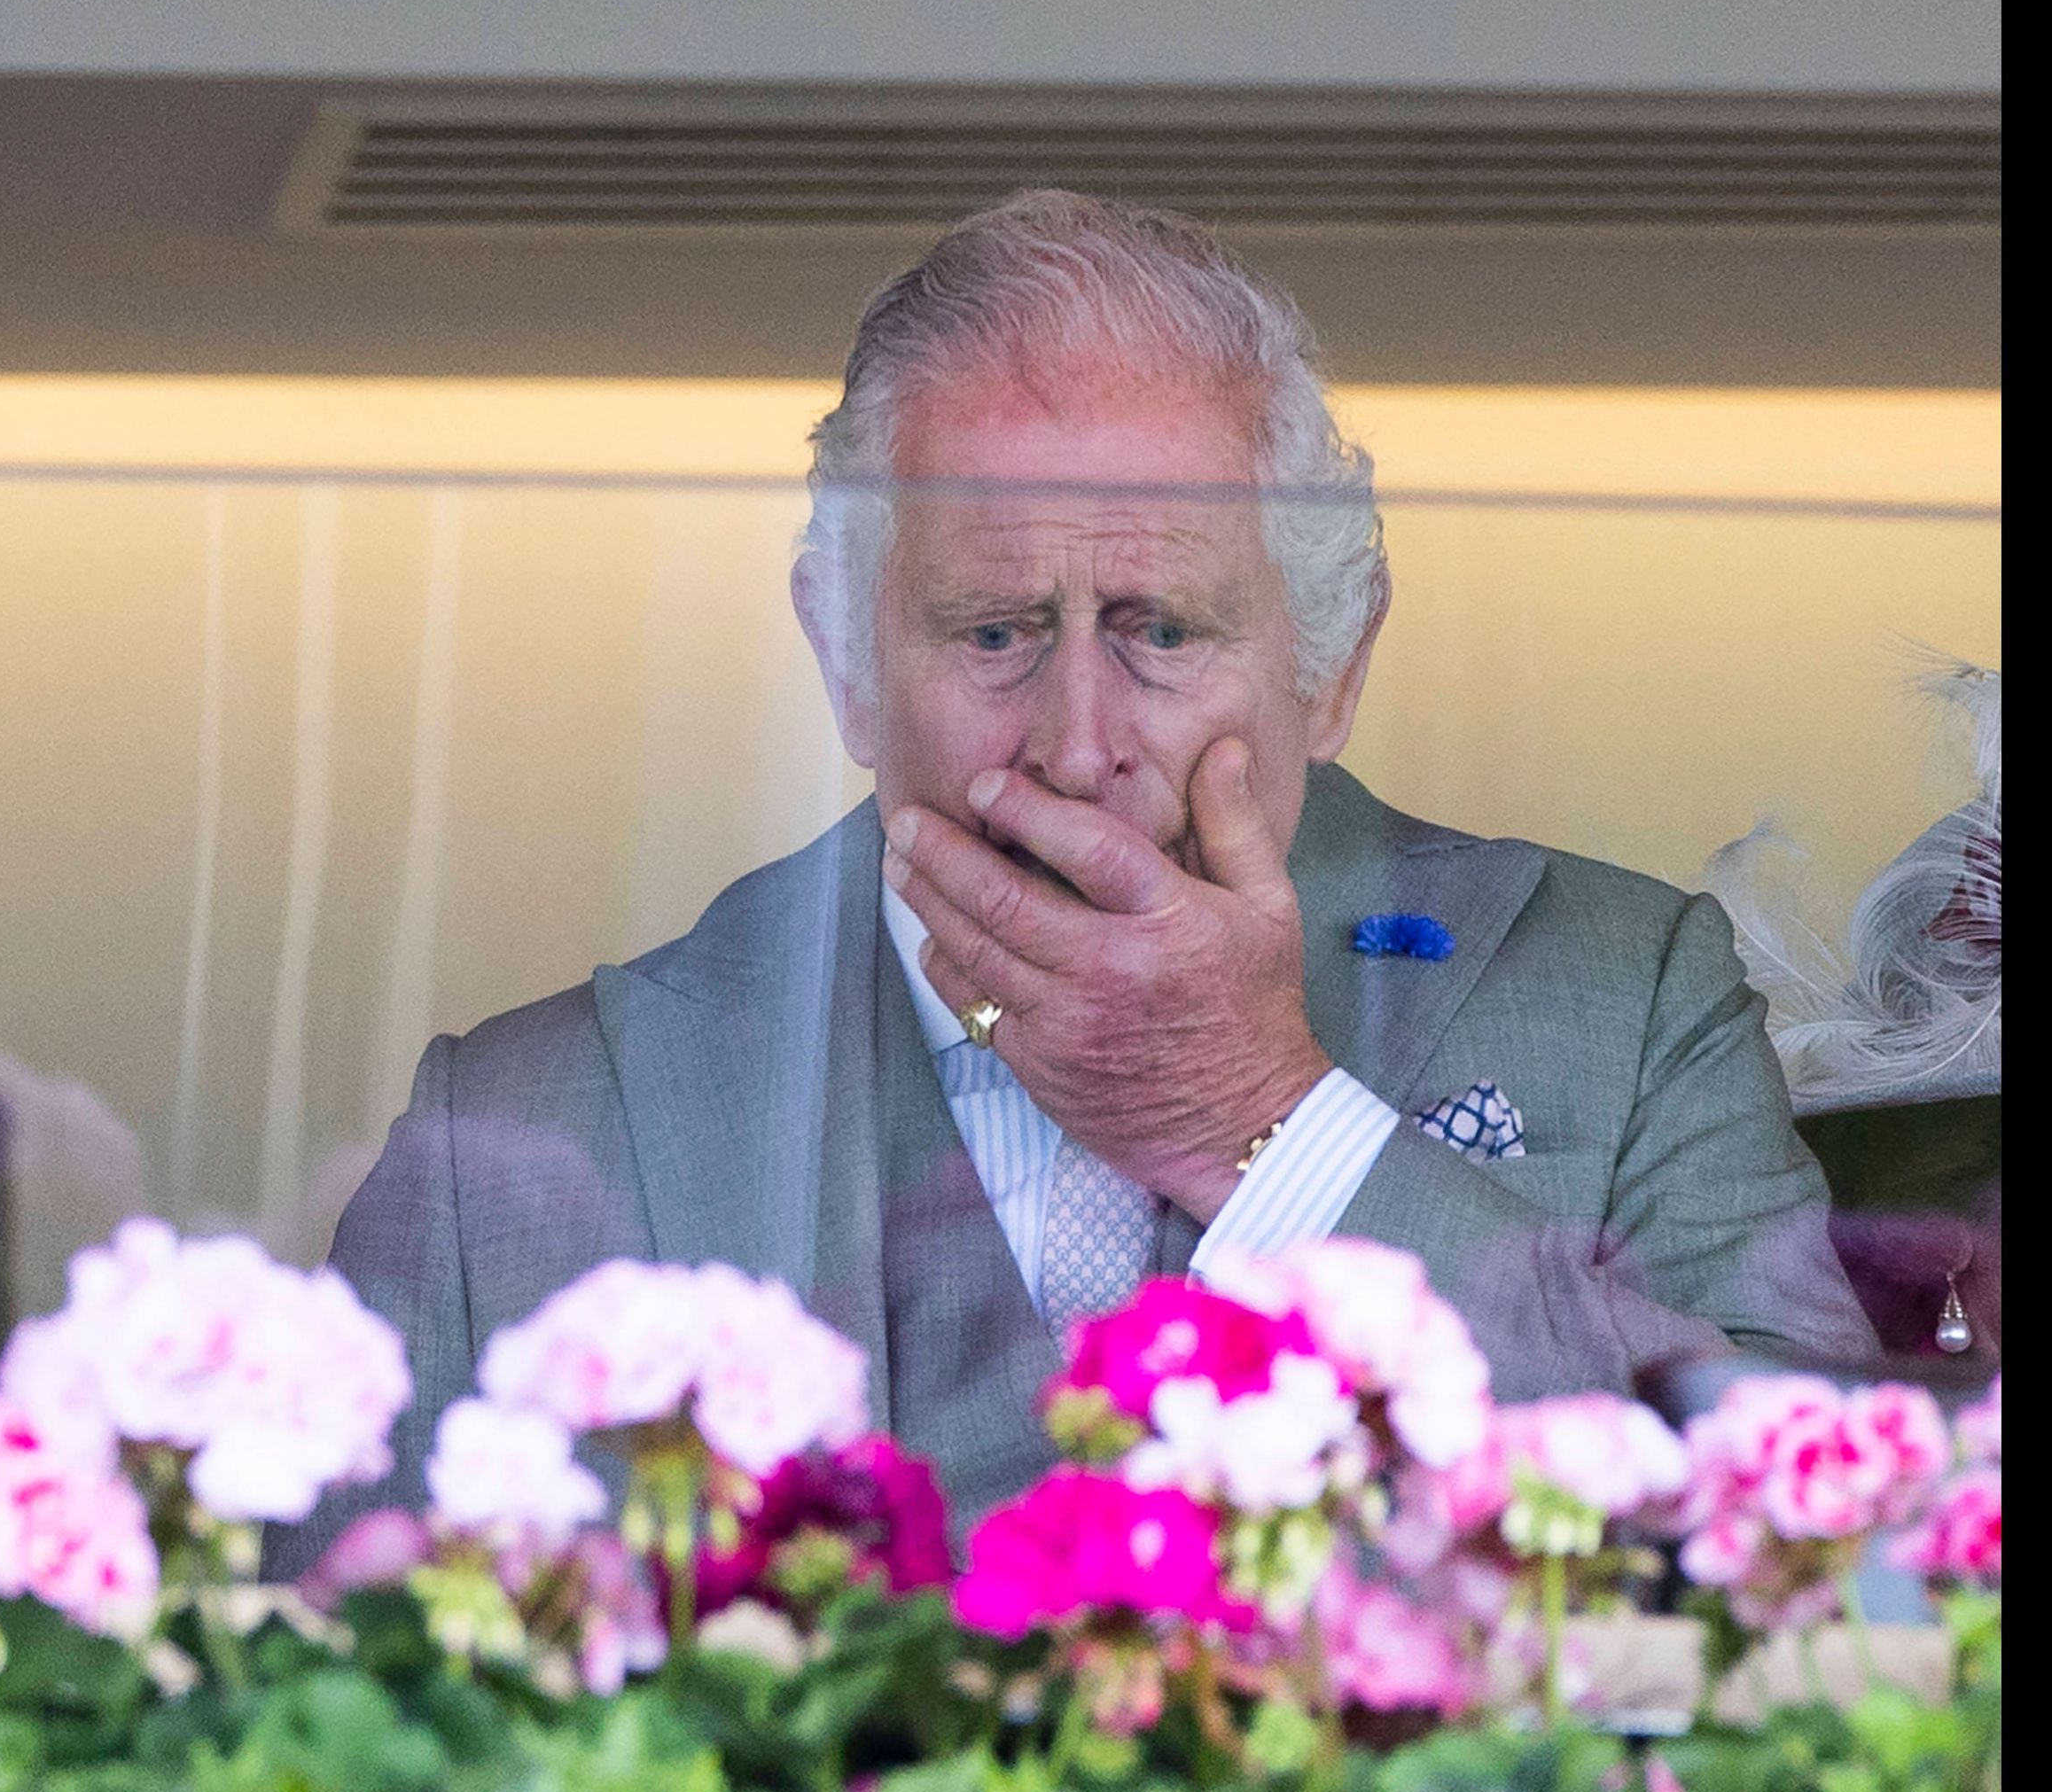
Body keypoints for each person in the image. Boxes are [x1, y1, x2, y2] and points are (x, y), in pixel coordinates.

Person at [313, 189, 1873, 1538]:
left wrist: (1263, 1125)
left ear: (1331, 665)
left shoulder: (1626, 992)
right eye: (992, 632)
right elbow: (321, 1754)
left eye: (1161, 630)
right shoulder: (510, 1135)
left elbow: (1833, 1560)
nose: (1074, 742)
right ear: (845, 660)